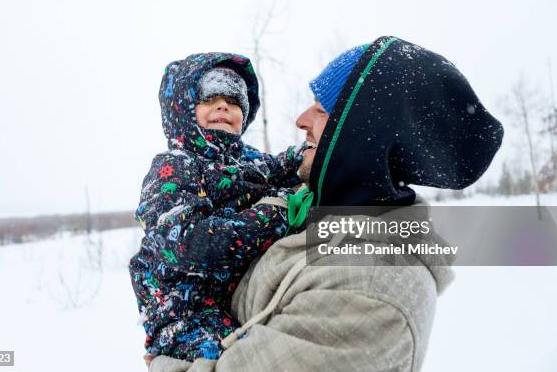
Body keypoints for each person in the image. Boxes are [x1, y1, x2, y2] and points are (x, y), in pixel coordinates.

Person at [145, 36, 503, 371]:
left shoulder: (373, 294)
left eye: (320, 109)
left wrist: (160, 364)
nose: (300, 119)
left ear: (364, 134)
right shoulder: (312, 208)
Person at [128, 53, 307, 363]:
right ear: (183, 110)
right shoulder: (174, 167)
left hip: (230, 297)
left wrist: (307, 156)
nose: (224, 106)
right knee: (237, 356)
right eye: (210, 98)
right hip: (183, 310)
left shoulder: (248, 161)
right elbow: (187, 244)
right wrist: (275, 213)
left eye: (234, 101)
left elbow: (279, 167)